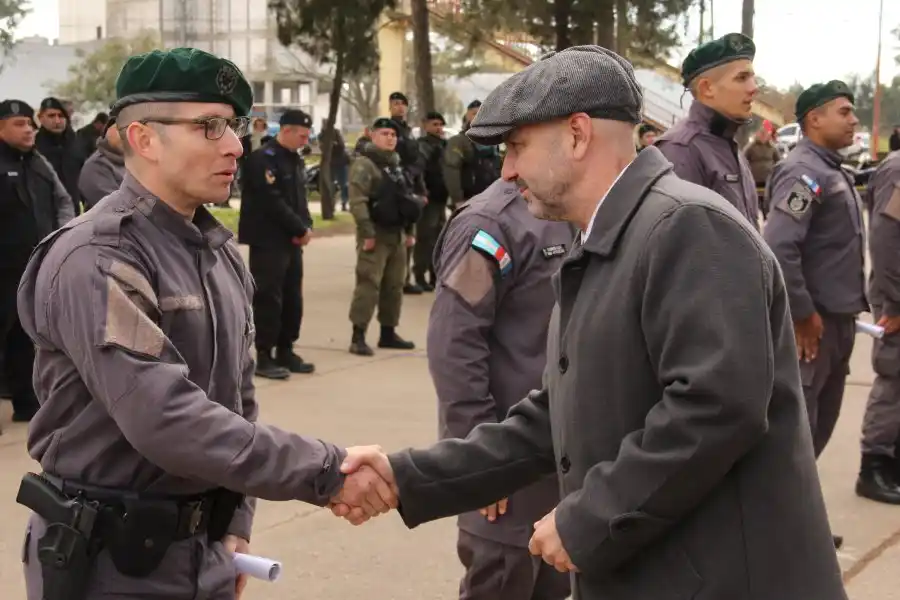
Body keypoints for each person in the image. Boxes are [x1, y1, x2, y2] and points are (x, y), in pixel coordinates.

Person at [332, 45, 848, 600]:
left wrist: (589, 518)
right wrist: (406, 476)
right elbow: (554, 415)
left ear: (577, 136)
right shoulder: (608, 238)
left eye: (517, 146)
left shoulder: (688, 227)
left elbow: (716, 409)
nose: (506, 169)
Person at [14, 48, 396, 600]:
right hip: (108, 566)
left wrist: (235, 523)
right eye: (210, 126)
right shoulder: (98, 259)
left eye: (234, 126)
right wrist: (329, 469)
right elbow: (167, 418)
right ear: (143, 139)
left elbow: (235, 404)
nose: (235, 145)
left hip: (203, 551)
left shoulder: (216, 254)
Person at [429, 178, 572, 600]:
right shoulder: (491, 226)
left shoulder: (574, 207)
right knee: (505, 581)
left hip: (560, 466)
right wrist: (482, 461)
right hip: (507, 474)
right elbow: (454, 345)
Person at [762, 81, 867, 547]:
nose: (854, 119)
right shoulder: (804, 173)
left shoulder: (832, 170)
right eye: (843, 112)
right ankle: (782, 538)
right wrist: (803, 314)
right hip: (815, 327)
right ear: (814, 120)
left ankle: (797, 527)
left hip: (839, 322)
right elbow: (780, 248)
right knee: (796, 436)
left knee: (818, 431)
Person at [0, 99, 75, 430]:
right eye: (19, 123)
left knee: (23, 334)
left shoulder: (39, 163)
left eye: (30, 123)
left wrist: (62, 237)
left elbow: (63, 201)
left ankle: (27, 404)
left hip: (34, 265)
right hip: (3, 266)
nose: (29, 129)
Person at [238, 109, 316, 379]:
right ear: (286, 131)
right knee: (269, 298)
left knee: (293, 297)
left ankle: (286, 348)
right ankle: (265, 354)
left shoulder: (294, 160)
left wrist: (306, 226)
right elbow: (272, 202)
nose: (305, 140)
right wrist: (298, 227)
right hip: (268, 240)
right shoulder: (263, 160)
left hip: (291, 241)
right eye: (302, 135)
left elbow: (299, 199)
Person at [655, 33, 760, 228]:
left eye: (752, 77)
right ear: (707, 88)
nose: (754, 88)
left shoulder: (728, 144)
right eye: (742, 77)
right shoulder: (681, 151)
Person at [347, 117, 423, 356]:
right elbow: (357, 202)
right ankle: (357, 336)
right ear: (372, 135)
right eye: (385, 134)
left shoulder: (396, 164)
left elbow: (406, 200)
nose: (390, 138)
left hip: (396, 234)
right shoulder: (364, 164)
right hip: (375, 234)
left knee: (394, 285)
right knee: (368, 284)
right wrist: (367, 233)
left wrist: (409, 232)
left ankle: (388, 332)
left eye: (393, 134)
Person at [856, 148, 900, 504]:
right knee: (894, 376)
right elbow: (885, 240)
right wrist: (897, 302)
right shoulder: (898, 170)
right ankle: (874, 467)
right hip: (897, 295)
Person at [386, 91, 428, 295]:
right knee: (395, 235)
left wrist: (420, 187)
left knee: (410, 234)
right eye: (395, 104)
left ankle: (404, 278)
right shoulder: (387, 129)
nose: (399, 107)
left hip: (410, 183)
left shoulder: (409, 131)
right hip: (394, 184)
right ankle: (393, 278)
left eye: (402, 104)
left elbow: (418, 159)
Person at [444, 99, 502, 211]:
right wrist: (458, 200)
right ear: (467, 117)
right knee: (473, 229)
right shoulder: (459, 141)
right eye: (474, 113)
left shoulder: (493, 141)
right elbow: (451, 171)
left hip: (493, 198)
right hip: (469, 200)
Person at [414, 110, 449, 291]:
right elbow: (418, 171)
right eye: (434, 124)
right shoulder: (422, 146)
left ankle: (435, 275)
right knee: (425, 238)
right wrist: (422, 193)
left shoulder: (446, 145)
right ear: (425, 126)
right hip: (428, 200)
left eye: (440, 124)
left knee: (440, 239)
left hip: (441, 198)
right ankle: (420, 274)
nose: (438, 128)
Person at [35, 96, 85, 215]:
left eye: (61, 116)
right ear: (40, 118)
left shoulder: (76, 143)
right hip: (44, 212)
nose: (57, 121)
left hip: (74, 212)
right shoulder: (33, 146)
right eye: (51, 116)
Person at [78, 118, 126, 209]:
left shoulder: (139, 161)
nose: (125, 135)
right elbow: (114, 207)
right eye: (120, 129)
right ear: (107, 131)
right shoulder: (95, 166)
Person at [743, 121, 781, 218]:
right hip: (755, 181)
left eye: (766, 134)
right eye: (762, 134)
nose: (764, 136)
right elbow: (743, 159)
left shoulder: (772, 148)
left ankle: (766, 217)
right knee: (755, 202)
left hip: (768, 180)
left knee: (767, 203)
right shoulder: (751, 147)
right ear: (758, 134)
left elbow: (779, 162)